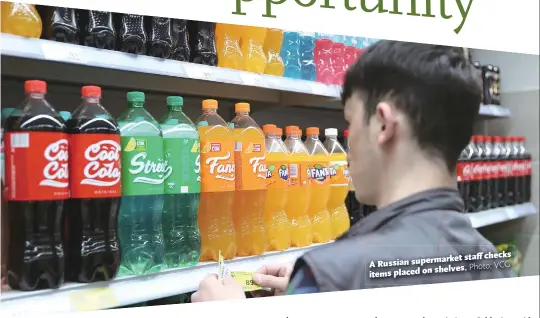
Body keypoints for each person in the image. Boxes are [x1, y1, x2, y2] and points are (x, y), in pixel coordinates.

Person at [190, 41, 515, 302]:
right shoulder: (494, 265)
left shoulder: (334, 274)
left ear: (384, 125)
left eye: (350, 121)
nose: (348, 145)